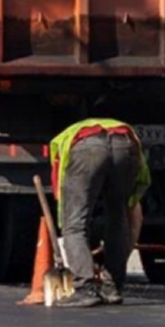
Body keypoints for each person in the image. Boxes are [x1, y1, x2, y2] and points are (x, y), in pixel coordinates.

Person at [50, 118, 147, 308]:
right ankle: (113, 288)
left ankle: (85, 288)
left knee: (75, 224)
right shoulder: (124, 131)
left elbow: (60, 189)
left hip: (87, 148)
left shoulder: (63, 141)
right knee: (118, 216)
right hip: (125, 145)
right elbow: (141, 183)